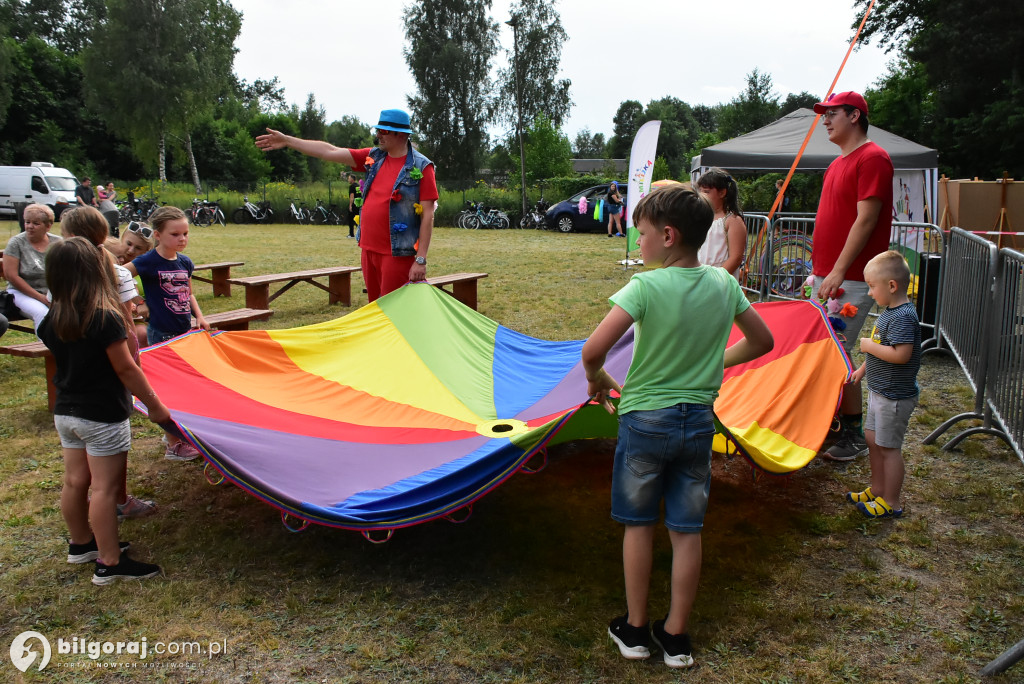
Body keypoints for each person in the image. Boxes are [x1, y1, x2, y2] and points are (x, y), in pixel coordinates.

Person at [581, 184, 774, 668]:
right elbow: (763, 341)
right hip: (697, 423)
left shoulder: (645, 286)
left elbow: (592, 349)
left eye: (641, 233)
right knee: (687, 530)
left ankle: (636, 629)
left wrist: (596, 378)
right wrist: (713, 364)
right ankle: (677, 636)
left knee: (639, 525)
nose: (637, 241)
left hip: (645, 422)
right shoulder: (725, 284)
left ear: (667, 235)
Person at [37, 237, 170, 584]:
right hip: (101, 415)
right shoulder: (105, 319)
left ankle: (81, 544)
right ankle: (110, 563)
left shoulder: (52, 319)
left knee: (74, 480)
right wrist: (155, 406)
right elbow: (126, 369)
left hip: (66, 413)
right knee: (105, 489)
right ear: (97, 271)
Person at [255, 108, 437, 301]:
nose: (378, 136)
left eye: (383, 131)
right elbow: (329, 151)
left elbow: (428, 215)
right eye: (378, 130)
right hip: (368, 250)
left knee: (394, 312)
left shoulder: (421, 167)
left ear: (400, 134)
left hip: (397, 255)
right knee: (375, 311)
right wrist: (288, 141)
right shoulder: (373, 157)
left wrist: (420, 259)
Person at [811, 91, 894, 462]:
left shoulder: (873, 158)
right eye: (824, 115)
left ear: (855, 116)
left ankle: (854, 435)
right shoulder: (836, 164)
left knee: (838, 354)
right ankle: (829, 422)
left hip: (853, 278)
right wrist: (817, 272)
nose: (825, 121)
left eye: (832, 114)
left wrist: (839, 270)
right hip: (827, 276)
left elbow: (867, 219)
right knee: (820, 350)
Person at [60, 207, 158, 519]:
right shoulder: (114, 281)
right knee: (105, 481)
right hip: (105, 391)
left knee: (76, 479)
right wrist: (152, 400)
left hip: (70, 394)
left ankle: (81, 543)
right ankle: (114, 530)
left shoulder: (62, 280)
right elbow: (127, 332)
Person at [124, 206, 205, 462]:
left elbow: (188, 292)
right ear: (157, 235)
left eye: (185, 233)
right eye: (175, 234)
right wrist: (136, 300)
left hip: (184, 332)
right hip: (161, 334)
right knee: (169, 390)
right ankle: (174, 445)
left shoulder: (185, 262)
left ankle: (174, 433)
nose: (182, 239)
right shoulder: (147, 261)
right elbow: (119, 274)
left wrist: (199, 316)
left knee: (186, 386)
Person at [846, 251, 921, 518]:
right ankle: (877, 488)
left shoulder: (902, 316)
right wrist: (863, 370)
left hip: (895, 397)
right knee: (872, 439)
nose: (868, 294)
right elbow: (881, 349)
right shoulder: (889, 312)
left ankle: (892, 501)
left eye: (872, 287)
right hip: (880, 392)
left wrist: (868, 347)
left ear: (891, 286)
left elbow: (901, 355)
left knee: (889, 448)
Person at [3, 203, 62, 330]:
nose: (30, 226)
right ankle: (45, 348)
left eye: (36, 223)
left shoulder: (58, 243)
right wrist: (41, 298)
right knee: (42, 313)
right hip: (20, 292)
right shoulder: (16, 243)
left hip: (52, 293)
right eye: (27, 222)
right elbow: (11, 276)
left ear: (48, 226)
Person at [696, 168, 746, 278]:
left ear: (722, 193)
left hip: (721, 280)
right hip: (701, 276)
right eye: (700, 191)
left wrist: (715, 279)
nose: (701, 195)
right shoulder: (702, 218)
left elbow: (736, 258)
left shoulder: (732, 220)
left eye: (706, 192)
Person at [347, 173, 361, 239]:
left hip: (354, 204)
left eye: (349, 178)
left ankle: (351, 234)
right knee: (358, 219)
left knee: (351, 219)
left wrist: (350, 205)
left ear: (352, 179)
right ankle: (360, 233)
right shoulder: (358, 186)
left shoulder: (352, 186)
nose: (348, 179)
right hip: (359, 204)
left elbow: (352, 196)